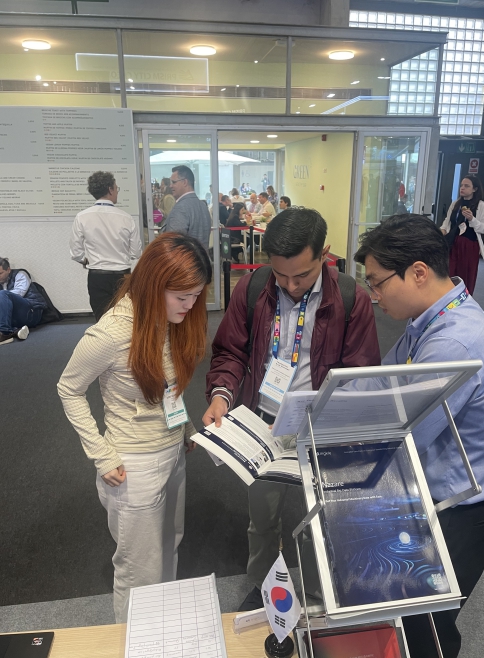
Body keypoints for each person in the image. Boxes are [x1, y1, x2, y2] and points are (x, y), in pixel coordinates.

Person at [202, 207, 381, 611]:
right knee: (262, 521)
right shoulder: (254, 287)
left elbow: (360, 372)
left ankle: (319, 598)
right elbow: (230, 352)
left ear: (324, 254)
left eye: (301, 275)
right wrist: (221, 395)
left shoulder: (350, 298)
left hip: (317, 429)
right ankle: (264, 592)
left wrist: (338, 425)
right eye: (281, 275)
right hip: (262, 424)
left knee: (317, 521)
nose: (290, 285)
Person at [58, 233, 212, 624]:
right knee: (139, 568)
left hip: (172, 452)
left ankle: (161, 627)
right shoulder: (112, 332)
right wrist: (101, 454)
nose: (191, 305)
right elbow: (69, 389)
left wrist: (184, 428)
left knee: (169, 544)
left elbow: (167, 385)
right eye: (182, 296)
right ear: (154, 284)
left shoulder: (170, 319)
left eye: (196, 296)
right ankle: (136, 641)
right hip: (134, 464)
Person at [354, 214, 484, 658]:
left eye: (377, 282)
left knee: (426, 623)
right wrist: (318, 408)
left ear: (419, 272)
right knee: (408, 609)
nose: (373, 296)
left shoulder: (455, 342)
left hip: (459, 507)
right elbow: (381, 380)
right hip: (428, 491)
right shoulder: (429, 321)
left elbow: (405, 433)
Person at [70, 171, 142, 322]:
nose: (117, 191)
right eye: (116, 188)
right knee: (125, 319)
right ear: (110, 189)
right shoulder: (126, 218)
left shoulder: (82, 217)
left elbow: (76, 253)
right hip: (123, 276)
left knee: (102, 320)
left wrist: (85, 261)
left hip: (97, 277)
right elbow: (136, 252)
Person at [440, 175, 484, 295]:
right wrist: (441, 231)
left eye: (466, 186)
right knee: (449, 273)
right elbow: (447, 222)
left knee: (465, 275)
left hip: (469, 245)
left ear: (474, 189)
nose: (462, 188)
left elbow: (482, 228)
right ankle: (447, 298)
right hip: (453, 243)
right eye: (461, 185)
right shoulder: (455, 204)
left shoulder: (481, 206)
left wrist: (472, 219)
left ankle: (463, 299)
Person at [162, 165, 212, 251]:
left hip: (184, 259)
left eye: (174, 182)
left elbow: (172, 245)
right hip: (202, 258)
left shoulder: (181, 208)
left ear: (185, 182)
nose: (170, 186)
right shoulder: (203, 206)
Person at [0, 257, 47, 345]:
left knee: (3, 294)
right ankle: (15, 331)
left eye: (0, 273)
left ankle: (4, 333)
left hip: (32, 312)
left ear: (8, 270)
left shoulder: (20, 274)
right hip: (13, 317)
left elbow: (19, 293)